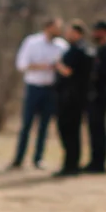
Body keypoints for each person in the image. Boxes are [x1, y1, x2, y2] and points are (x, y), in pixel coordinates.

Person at [10, 18, 65, 169]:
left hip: (51, 89)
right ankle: (18, 158)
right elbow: (22, 65)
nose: (58, 31)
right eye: (55, 27)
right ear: (48, 27)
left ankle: (38, 158)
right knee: (26, 124)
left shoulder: (61, 46)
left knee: (44, 126)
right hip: (34, 87)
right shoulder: (32, 42)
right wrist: (44, 66)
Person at [54, 20, 92, 177]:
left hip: (71, 98)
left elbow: (69, 71)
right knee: (68, 131)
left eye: (69, 31)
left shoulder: (78, 50)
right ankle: (70, 163)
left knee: (69, 131)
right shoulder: (76, 49)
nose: (67, 34)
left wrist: (58, 65)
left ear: (77, 33)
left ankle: (71, 164)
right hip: (71, 97)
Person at [85, 20, 106, 173]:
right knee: (93, 128)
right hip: (92, 93)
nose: (94, 34)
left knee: (99, 128)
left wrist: (98, 80)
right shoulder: (97, 49)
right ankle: (94, 160)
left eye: (97, 31)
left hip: (102, 93)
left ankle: (100, 163)